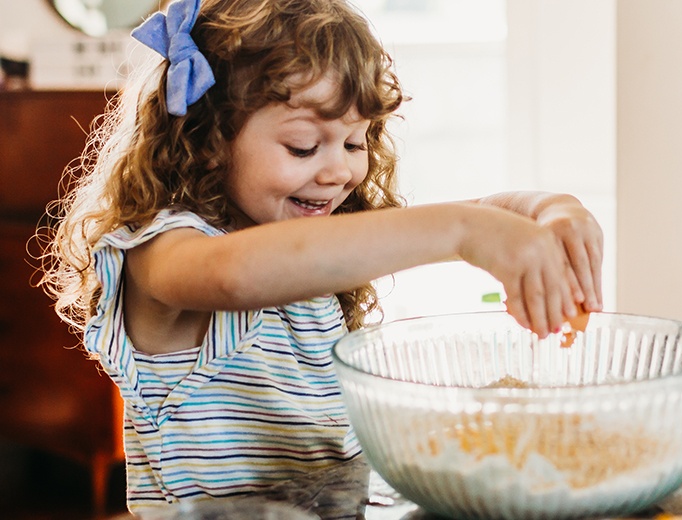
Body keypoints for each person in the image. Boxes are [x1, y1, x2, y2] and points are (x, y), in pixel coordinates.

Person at [38, 0, 603, 512]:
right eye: (304, 146)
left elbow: (482, 208)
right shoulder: (160, 253)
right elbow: (235, 273)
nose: (338, 172)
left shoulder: (318, 240)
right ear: (210, 139)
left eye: (355, 142)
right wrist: (463, 231)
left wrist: (550, 208)